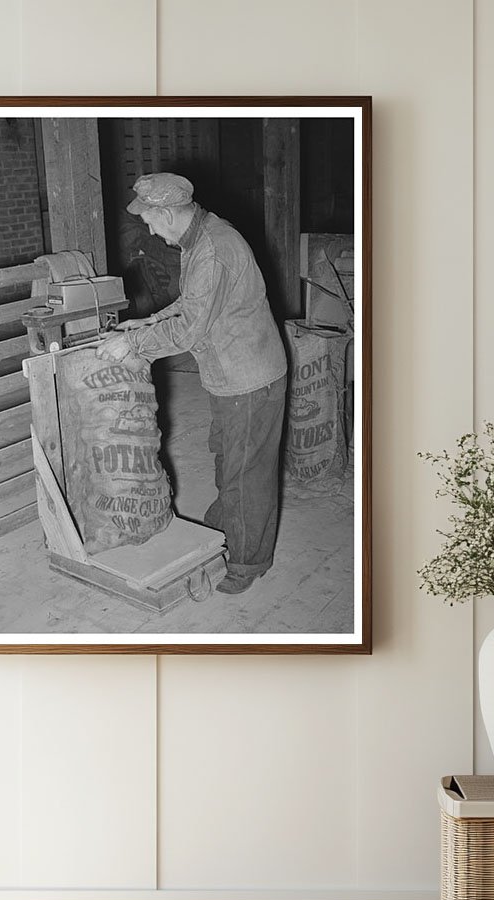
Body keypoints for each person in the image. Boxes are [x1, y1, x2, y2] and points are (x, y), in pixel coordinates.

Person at [97, 172, 288, 595]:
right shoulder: (202, 239)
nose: (148, 229)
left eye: (149, 220)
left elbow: (189, 331)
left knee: (245, 474)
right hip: (232, 376)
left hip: (248, 380)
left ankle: (246, 561)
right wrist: (147, 322)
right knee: (228, 460)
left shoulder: (213, 249)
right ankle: (228, 529)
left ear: (166, 213)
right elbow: (192, 304)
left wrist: (133, 343)